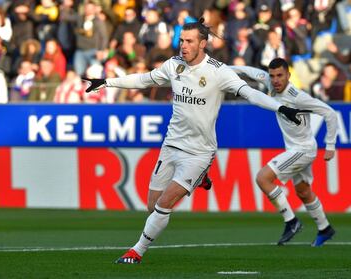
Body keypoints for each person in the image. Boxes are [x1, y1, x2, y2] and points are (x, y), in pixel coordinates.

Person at [84, 19, 309, 264]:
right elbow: (144, 79)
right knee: (152, 205)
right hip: (171, 145)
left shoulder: (219, 71)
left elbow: (251, 93)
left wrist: (281, 107)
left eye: (189, 41)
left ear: (203, 43)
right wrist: (107, 82)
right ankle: (200, 179)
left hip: (199, 152)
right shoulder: (174, 65)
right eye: (181, 40)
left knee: (165, 202)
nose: (183, 46)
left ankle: (136, 252)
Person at [230, 58, 337, 246]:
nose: (276, 80)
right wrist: (219, 69)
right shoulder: (269, 83)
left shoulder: (298, 97)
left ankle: (291, 221)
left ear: (288, 75)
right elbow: (247, 70)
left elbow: (330, 113)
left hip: (302, 149)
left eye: (280, 75)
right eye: (272, 76)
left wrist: (330, 146)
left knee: (263, 178)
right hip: (297, 147)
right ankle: (325, 228)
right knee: (303, 191)